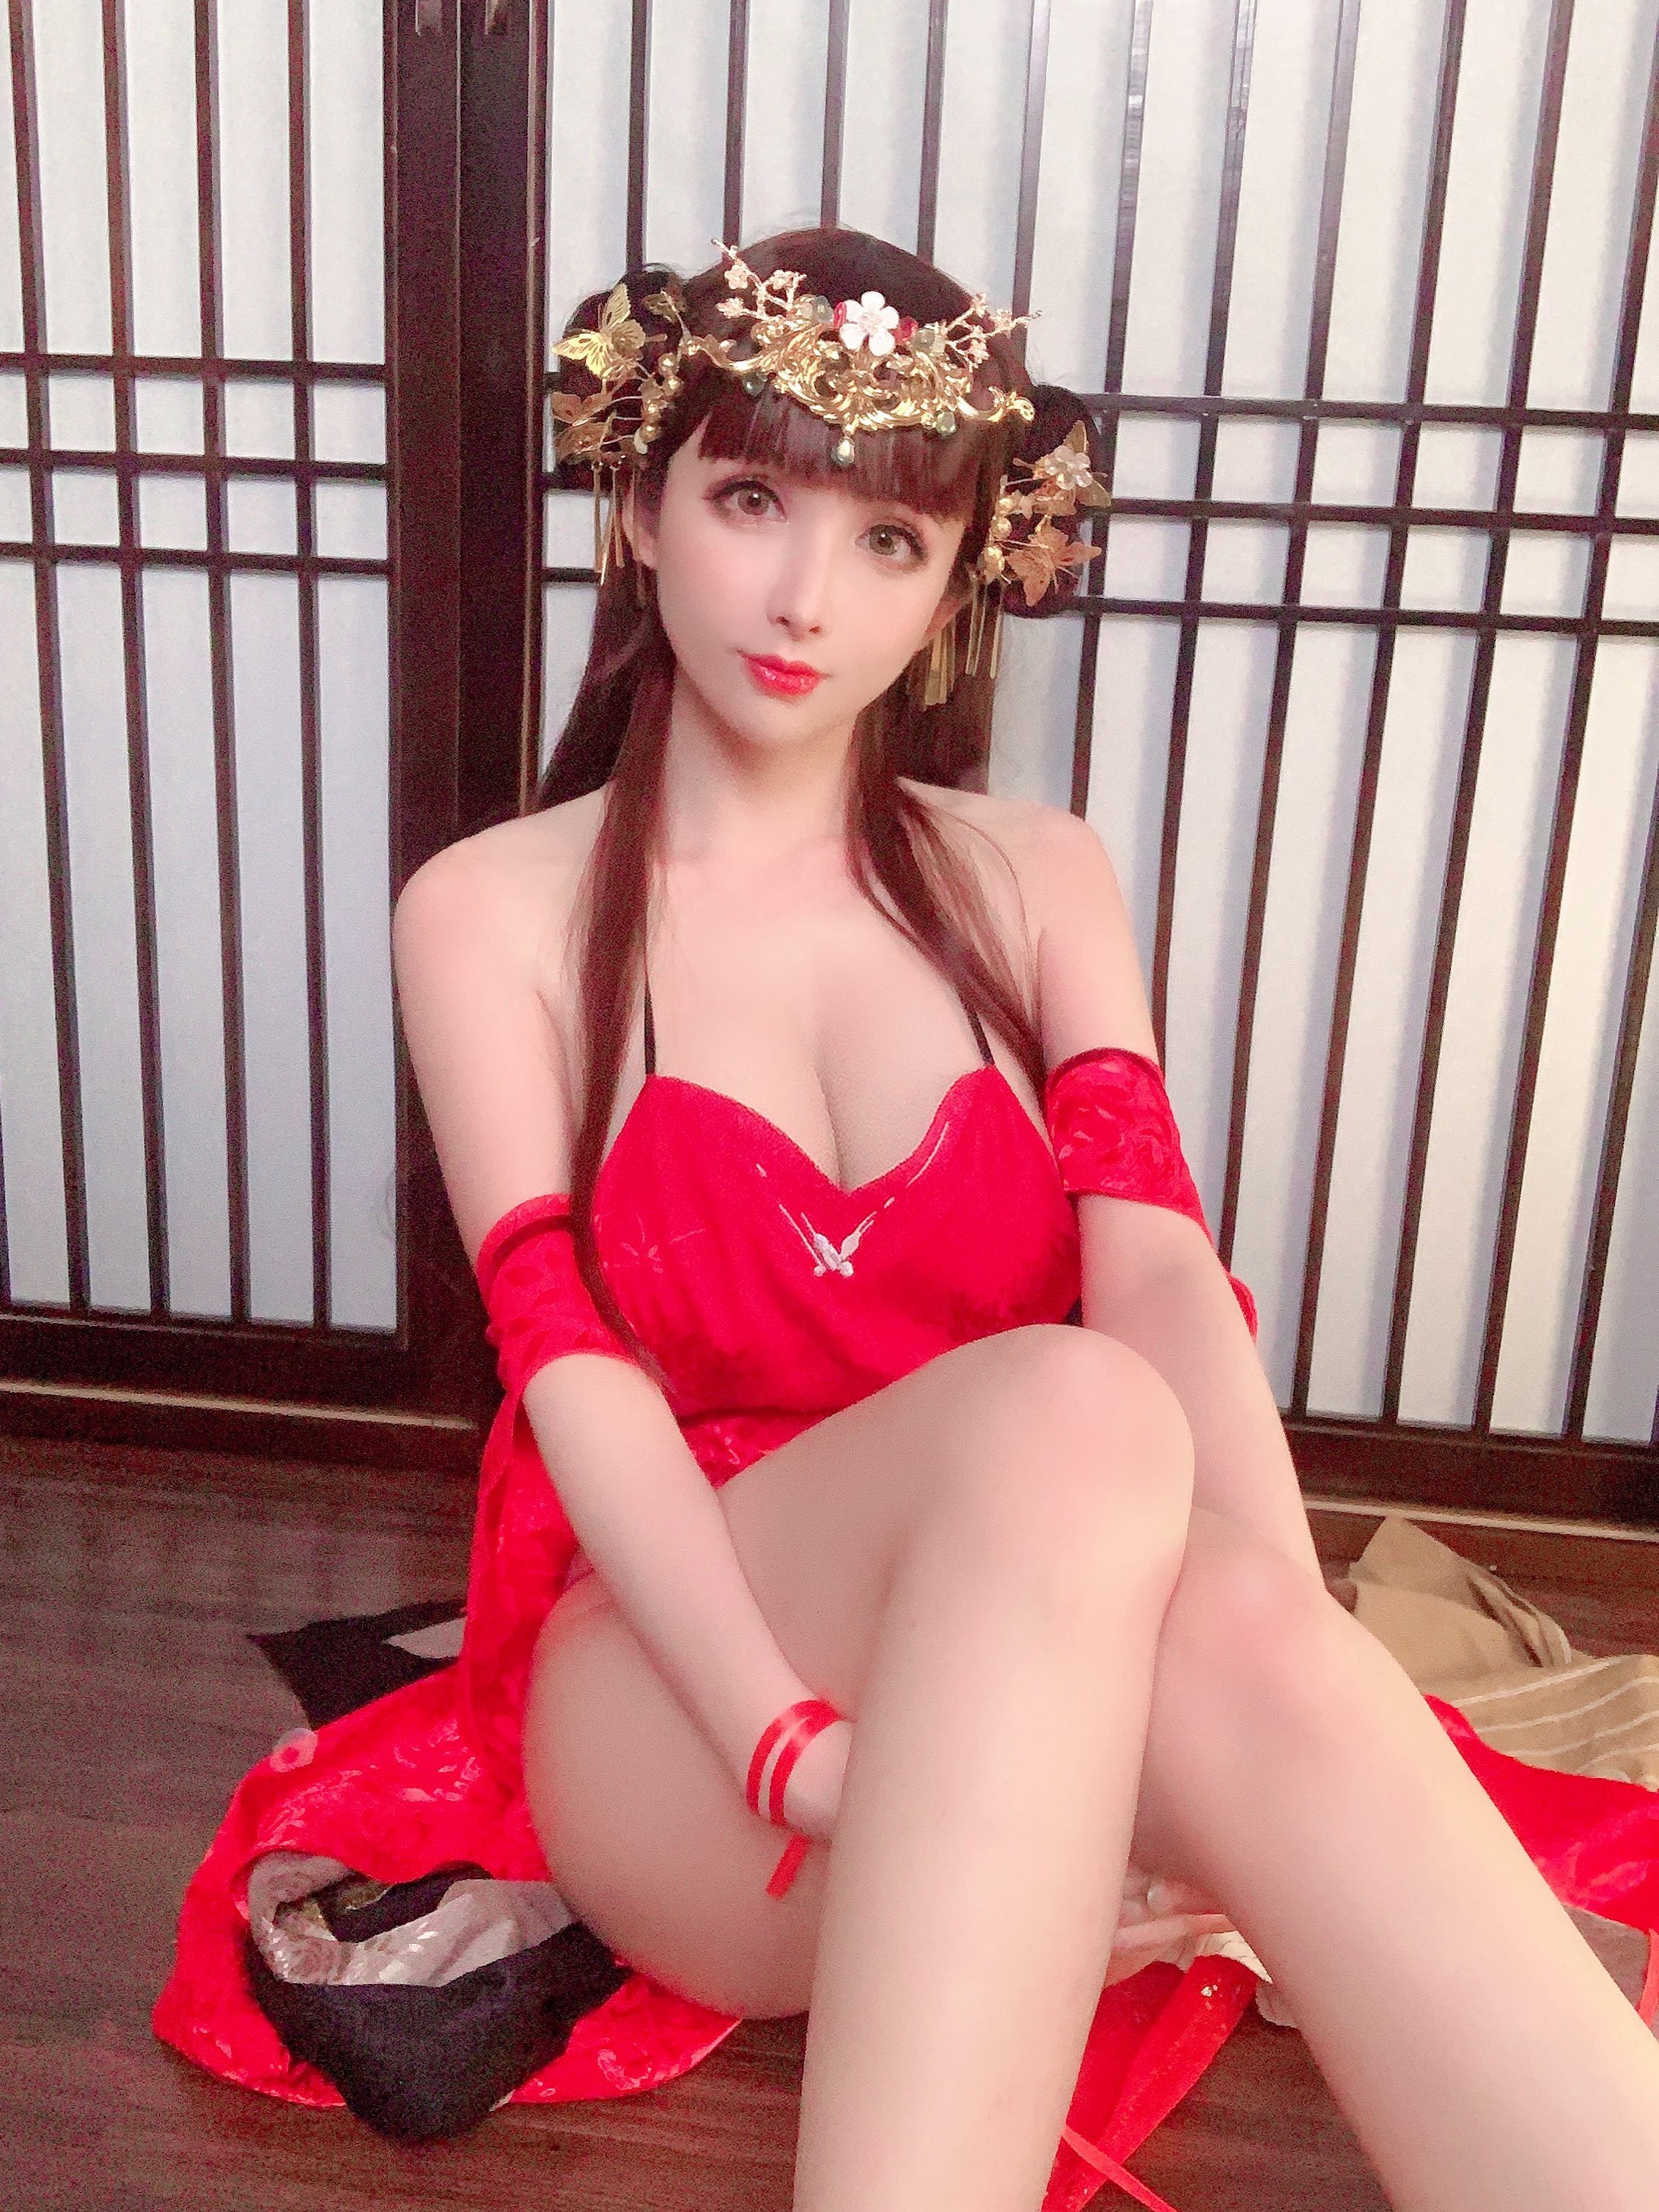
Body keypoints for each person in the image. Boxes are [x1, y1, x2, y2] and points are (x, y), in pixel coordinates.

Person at [157, 229, 1659, 2211]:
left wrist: (1282, 1631)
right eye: (751, 501)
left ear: (958, 585)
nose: (808, 596)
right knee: (1074, 1406)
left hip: (1029, 1642)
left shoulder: (1035, 875)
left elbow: (1156, 1269)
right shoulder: (494, 911)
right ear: (641, 507)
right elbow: (571, 1366)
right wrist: (790, 1743)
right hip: (681, 1709)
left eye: (889, 540)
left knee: (1184, 1533)